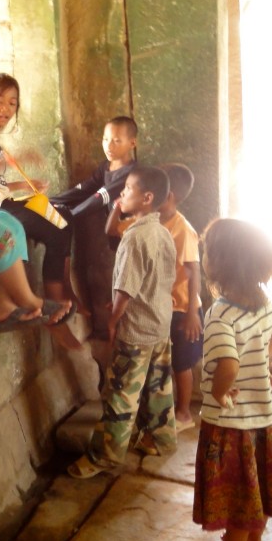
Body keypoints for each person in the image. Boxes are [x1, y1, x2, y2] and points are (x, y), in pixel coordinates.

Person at [182, 219, 272, 541]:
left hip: (233, 424)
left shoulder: (220, 315)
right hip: (264, 420)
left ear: (217, 264)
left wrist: (218, 392)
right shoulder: (264, 304)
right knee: (255, 484)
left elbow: (226, 365)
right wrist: (262, 360)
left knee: (238, 491)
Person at [67, 166, 177, 478]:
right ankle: (159, 439)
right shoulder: (163, 232)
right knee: (158, 387)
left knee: (120, 395)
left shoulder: (134, 239)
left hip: (138, 330)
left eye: (127, 189)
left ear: (147, 198)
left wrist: (113, 320)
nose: (121, 194)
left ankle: (104, 457)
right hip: (160, 325)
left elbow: (125, 289)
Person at [0, 72, 74, 334]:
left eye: (12, 103)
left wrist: (22, 185)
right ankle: (51, 295)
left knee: (62, 217)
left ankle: (10, 303)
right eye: (0, 101)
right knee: (58, 228)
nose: (6, 109)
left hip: (1, 201)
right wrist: (18, 157)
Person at [51, 116, 139, 337]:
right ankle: (113, 333)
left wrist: (69, 216)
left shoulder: (130, 174)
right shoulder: (106, 167)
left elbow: (99, 199)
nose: (109, 146)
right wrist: (53, 201)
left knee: (126, 289)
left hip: (129, 239)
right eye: (105, 139)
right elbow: (85, 189)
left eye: (117, 141)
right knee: (115, 288)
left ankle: (124, 335)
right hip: (113, 239)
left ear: (132, 143)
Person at [158, 164, 203, 431]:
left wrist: (191, 314)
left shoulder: (183, 229)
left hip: (183, 309)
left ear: (170, 195)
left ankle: (184, 413)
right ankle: (166, 408)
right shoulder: (152, 221)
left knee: (181, 364)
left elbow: (194, 270)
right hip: (163, 305)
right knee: (166, 362)